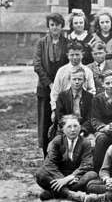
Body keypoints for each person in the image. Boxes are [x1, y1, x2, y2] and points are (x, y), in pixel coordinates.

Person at [35, 115, 97, 202]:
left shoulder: (85, 142)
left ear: (80, 127)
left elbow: (87, 164)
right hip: (59, 173)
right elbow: (49, 163)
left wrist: (69, 178)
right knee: (40, 173)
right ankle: (70, 194)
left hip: (76, 176)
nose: (73, 130)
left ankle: (54, 193)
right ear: (63, 129)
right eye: (69, 127)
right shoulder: (58, 140)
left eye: (75, 126)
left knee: (92, 174)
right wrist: (61, 179)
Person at [34, 12, 69, 157]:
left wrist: (60, 85)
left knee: (61, 121)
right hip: (45, 89)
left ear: (62, 26)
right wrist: (49, 84)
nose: (55, 28)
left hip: (62, 89)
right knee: (45, 122)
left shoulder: (66, 43)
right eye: (52, 25)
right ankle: (46, 156)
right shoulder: (41, 43)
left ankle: (61, 155)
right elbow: (37, 65)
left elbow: (68, 64)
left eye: (58, 25)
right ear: (48, 26)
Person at [50, 42, 96, 121]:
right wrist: (54, 110)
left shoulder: (87, 71)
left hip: (82, 107)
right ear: (67, 55)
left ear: (82, 54)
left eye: (77, 54)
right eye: (72, 55)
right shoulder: (62, 71)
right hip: (65, 106)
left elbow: (92, 90)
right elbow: (55, 91)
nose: (75, 57)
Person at [91, 70, 112, 172]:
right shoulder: (97, 99)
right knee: (101, 139)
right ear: (103, 84)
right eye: (108, 83)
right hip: (102, 129)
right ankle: (98, 170)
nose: (111, 86)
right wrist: (104, 127)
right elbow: (94, 118)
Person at [51, 67, 93, 140]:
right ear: (69, 80)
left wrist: (82, 130)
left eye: (79, 79)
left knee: (91, 142)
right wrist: (70, 130)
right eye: (74, 79)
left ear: (84, 80)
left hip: (84, 130)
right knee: (56, 144)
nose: (77, 82)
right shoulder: (62, 96)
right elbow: (60, 117)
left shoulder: (90, 97)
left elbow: (90, 118)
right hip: (65, 130)